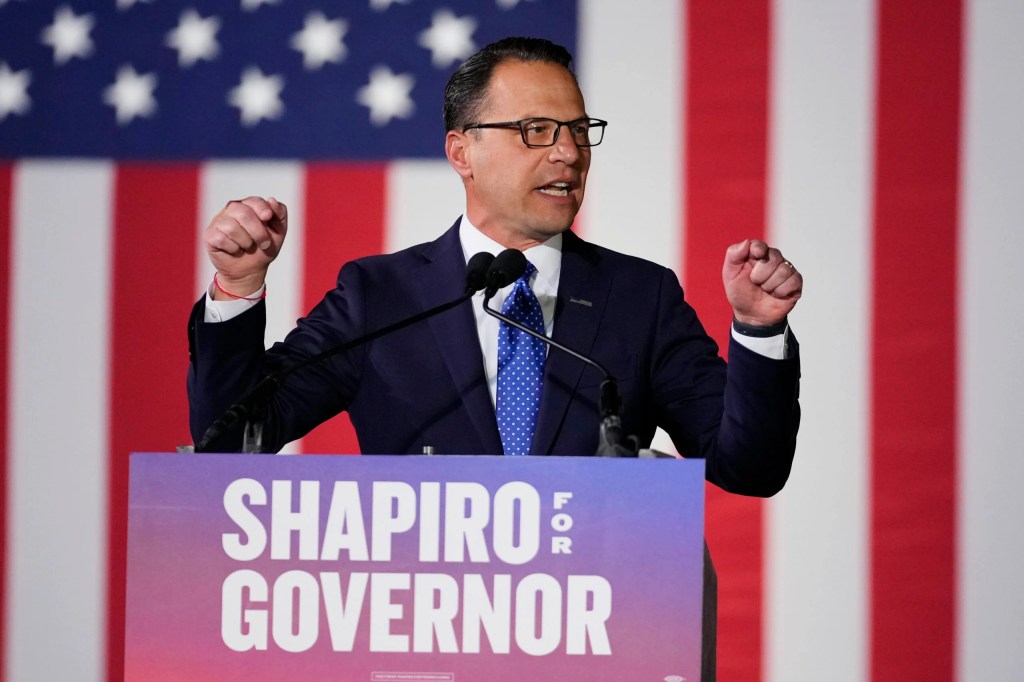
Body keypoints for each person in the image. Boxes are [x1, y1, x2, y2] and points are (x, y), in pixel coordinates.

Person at [188, 37, 802, 498]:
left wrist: (758, 330)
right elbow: (230, 444)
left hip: (593, 639)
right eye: (536, 130)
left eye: (579, 130)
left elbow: (747, 468)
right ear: (462, 151)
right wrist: (237, 289)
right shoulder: (380, 297)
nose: (568, 152)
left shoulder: (640, 297)